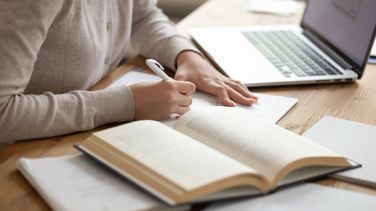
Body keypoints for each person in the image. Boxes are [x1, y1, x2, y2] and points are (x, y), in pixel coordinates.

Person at [0, 0, 257, 144]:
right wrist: (126, 103)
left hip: (79, 133)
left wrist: (185, 55)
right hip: (21, 151)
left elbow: (142, 16)